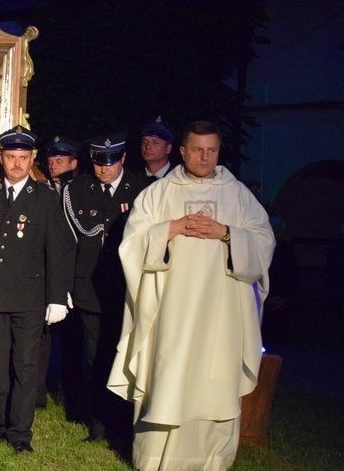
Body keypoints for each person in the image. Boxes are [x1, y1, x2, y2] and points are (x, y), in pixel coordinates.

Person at [108, 121, 275, 470]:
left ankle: (211, 460)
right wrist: (173, 227)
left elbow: (263, 243)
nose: (205, 157)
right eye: (197, 150)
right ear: (183, 151)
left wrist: (226, 233)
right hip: (172, 312)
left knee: (215, 381)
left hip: (222, 312)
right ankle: (157, 459)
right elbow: (132, 245)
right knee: (168, 375)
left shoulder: (238, 195)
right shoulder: (158, 194)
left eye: (212, 150)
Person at [0, 125, 76, 454]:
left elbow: (58, 250)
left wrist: (57, 296)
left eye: (24, 158)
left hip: (29, 298)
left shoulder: (44, 199)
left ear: (32, 158)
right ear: (2, 158)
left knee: (25, 366)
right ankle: (4, 424)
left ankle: (21, 434)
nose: (17, 164)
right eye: (11, 157)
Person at [61, 134, 147, 443]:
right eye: (99, 161)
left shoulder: (142, 189)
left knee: (127, 357)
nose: (104, 168)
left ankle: (124, 422)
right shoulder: (77, 190)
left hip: (130, 287)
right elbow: (69, 244)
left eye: (111, 161)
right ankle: (99, 424)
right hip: (91, 289)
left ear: (123, 158)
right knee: (96, 358)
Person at [35, 135, 80, 409]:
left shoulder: (81, 190)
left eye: (59, 161)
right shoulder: (42, 189)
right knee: (42, 337)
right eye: (50, 162)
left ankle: (70, 394)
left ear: (73, 163)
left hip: (75, 272)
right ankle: (37, 393)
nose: (53, 167)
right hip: (46, 269)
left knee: (73, 341)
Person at [139, 116, 176, 183]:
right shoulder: (133, 180)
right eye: (145, 142)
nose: (148, 147)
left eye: (155, 143)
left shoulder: (178, 177)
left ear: (168, 148)